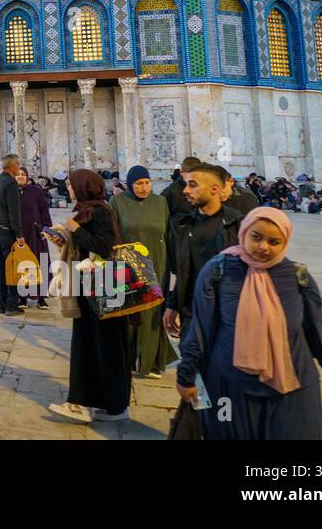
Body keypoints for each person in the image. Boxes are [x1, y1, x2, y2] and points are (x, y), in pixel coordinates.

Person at [176, 207, 322, 438]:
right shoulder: (219, 269)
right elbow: (201, 328)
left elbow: (318, 333)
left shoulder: (297, 275)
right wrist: (186, 375)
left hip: (292, 387)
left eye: (274, 241)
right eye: (256, 237)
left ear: (285, 241)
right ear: (244, 233)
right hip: (229, 387)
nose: (264, 247)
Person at [46, 169, 132, 422]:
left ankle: (96, 404)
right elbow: (88, 245)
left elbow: (104, 246)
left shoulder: (101, 211)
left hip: (101, 287)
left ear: (84, 187)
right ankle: (102, 404)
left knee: (100, 345)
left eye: (72, 185)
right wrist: (63, 240)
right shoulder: (89, 210)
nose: (69, 189)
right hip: (91, 287)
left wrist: (74, 229)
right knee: (93, 346)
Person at [109, 165, 175, 377]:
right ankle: (126, 360)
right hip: (128, 266)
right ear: (130, 184)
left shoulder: (160, 202)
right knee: (129, 314)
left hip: (157, 263)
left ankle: (151, 362)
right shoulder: (118, 203)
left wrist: (175, 265)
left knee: (152, 312)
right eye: (139, 183)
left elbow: (168, 232)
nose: (144, 188)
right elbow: (114, 235)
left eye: (147, 183)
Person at [164, 164, 242, 338]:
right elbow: (185, 272)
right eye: (186, 184)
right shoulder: (184, 225)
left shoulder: (237, 225)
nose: (185, 190)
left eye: (193, 184)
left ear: (214, 189)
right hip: (191, 313)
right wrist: (173, 304)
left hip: (227, 315)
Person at [0, 155, 24, 315]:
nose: (19, 168)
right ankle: (11, 304)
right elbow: (13, 211)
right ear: (12, 166)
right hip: (6, 232)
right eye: (18, 165)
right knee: (12, 268)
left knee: (0, 268)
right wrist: (19, 234)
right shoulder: (10, 183)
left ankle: (2, 303)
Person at [16, 167, 52, 309]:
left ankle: (42, 298)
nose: (20, 177)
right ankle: (22, 297)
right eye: (17, 174)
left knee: (40, 263)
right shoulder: (12, 192)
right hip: (20, 235)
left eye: (23, 174)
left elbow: (44, 210)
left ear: (27, 176)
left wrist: (46, 229)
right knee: (23, 265)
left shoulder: (36, 191)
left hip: (36, 233)